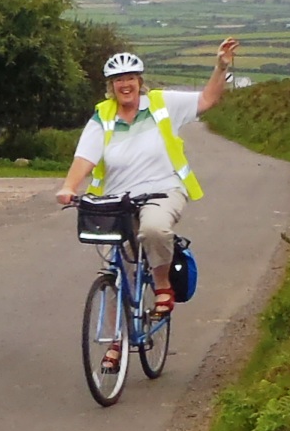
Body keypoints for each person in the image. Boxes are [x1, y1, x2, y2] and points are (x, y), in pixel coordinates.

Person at [56, 39, 239, 364]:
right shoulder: (102, 118)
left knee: (153, 230)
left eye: (131, 78)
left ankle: (162, 283)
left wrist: (221, 67)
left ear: (140, 81)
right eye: (118, 81)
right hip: (119, 199)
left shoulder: (161, 104)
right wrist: (69, 187)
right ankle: (116, 342)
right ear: (111, 87)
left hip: (164, 191)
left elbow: (208, 99)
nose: (125, 85)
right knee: (119, 267)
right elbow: (84, 158)